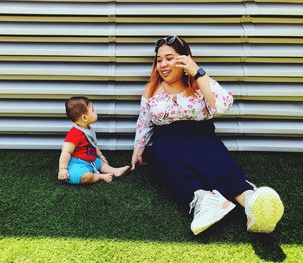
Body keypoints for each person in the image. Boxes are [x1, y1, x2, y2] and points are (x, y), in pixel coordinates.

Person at [130, 35, 284, 235]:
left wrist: (196, 71)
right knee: (162, 153)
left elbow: (223, 105)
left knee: (218, 164)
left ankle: (250, 202)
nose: (163, 64)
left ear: (184, 58)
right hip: (166, 141)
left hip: (201, 137)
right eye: (159, 60)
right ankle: (203, 200)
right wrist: (138, 148)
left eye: (169, 58)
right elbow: (144, 121)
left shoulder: (199, 85)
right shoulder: (152, 90)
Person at [58, 96, 130, 185]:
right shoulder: (74, 133)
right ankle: (99, 176)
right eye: (92, 110)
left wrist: (100, 155)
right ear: (84, 117)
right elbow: (66, 152)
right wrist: (63, 169)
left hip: (91, 160)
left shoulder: (89, 129)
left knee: (102, 164)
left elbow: (93, 144)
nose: (95, 111)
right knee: (83, 177)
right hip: (78, 163)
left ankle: (115, 171)